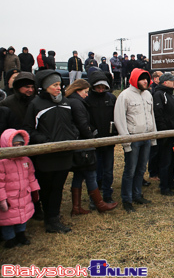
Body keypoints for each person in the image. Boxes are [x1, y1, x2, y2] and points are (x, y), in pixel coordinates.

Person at [24, 70, 79, 233]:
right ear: (45, 86)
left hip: (64, 154)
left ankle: (54, 218)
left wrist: (73, 134)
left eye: (59, 85)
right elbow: (28, 130)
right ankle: (49, 219)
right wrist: (45, 141)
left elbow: (72, 123)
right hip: (47, 156)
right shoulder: (36, 104)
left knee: (58, 187)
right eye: (55, 85)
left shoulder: (66, 102)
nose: (59, 88)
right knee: (46, 188)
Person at [66, 79, 117, 215]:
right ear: (78, 90)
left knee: (78, 174)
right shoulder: (77, 103)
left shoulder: (73, 101)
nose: (87, 95)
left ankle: (76, 207)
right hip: (84, 143)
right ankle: (98, 203)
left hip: (81, 142)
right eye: (85, 92)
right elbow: (83, 124)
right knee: (90, 173)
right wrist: (92, 139)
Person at [114, 68, 157, 213]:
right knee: (130, 170)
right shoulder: (125, 96)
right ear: (134, 79)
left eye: (147, 78)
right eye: (142, 79)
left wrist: (153, 137)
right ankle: (127, 199)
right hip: (133, 138)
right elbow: (120, 119)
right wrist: (126, 141)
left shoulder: (148, 95)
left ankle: (137, 194)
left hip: (146, 137)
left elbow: (152, 116)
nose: (146, 81)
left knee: (141, 168)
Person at [0, 129, 40, 248]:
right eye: (14, 145)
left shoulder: (26, 160)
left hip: (24, 196)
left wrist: (35, 190)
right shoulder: (2, 162)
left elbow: (31, 176)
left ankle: (21, 235)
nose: (18, 148)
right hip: (9, 198)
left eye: (20, 145)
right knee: (7, 220)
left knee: (23, 217)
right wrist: (2, 199)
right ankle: (10, 238)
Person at [85, 71, 117, 203]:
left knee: (108, 169)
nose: (101, 89)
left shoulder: (111, 98)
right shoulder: (87, 100)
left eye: (103, 87)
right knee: (95, 170)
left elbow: (116, 116)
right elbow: (85, 119)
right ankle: (95, 196)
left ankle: (107, 193)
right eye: (98, 87)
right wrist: (93, 132)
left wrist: (114, 131)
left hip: (109, 140)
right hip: (95, 140)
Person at [153, 72, 174, 196]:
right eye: (172, 81)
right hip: (166, 133)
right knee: (165, 161)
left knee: (172, 159)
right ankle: (164, 186)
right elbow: (158, 114)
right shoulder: (159, 94)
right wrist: (164, 131)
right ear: (165, 82)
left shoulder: (171, 95)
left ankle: (171, 181)